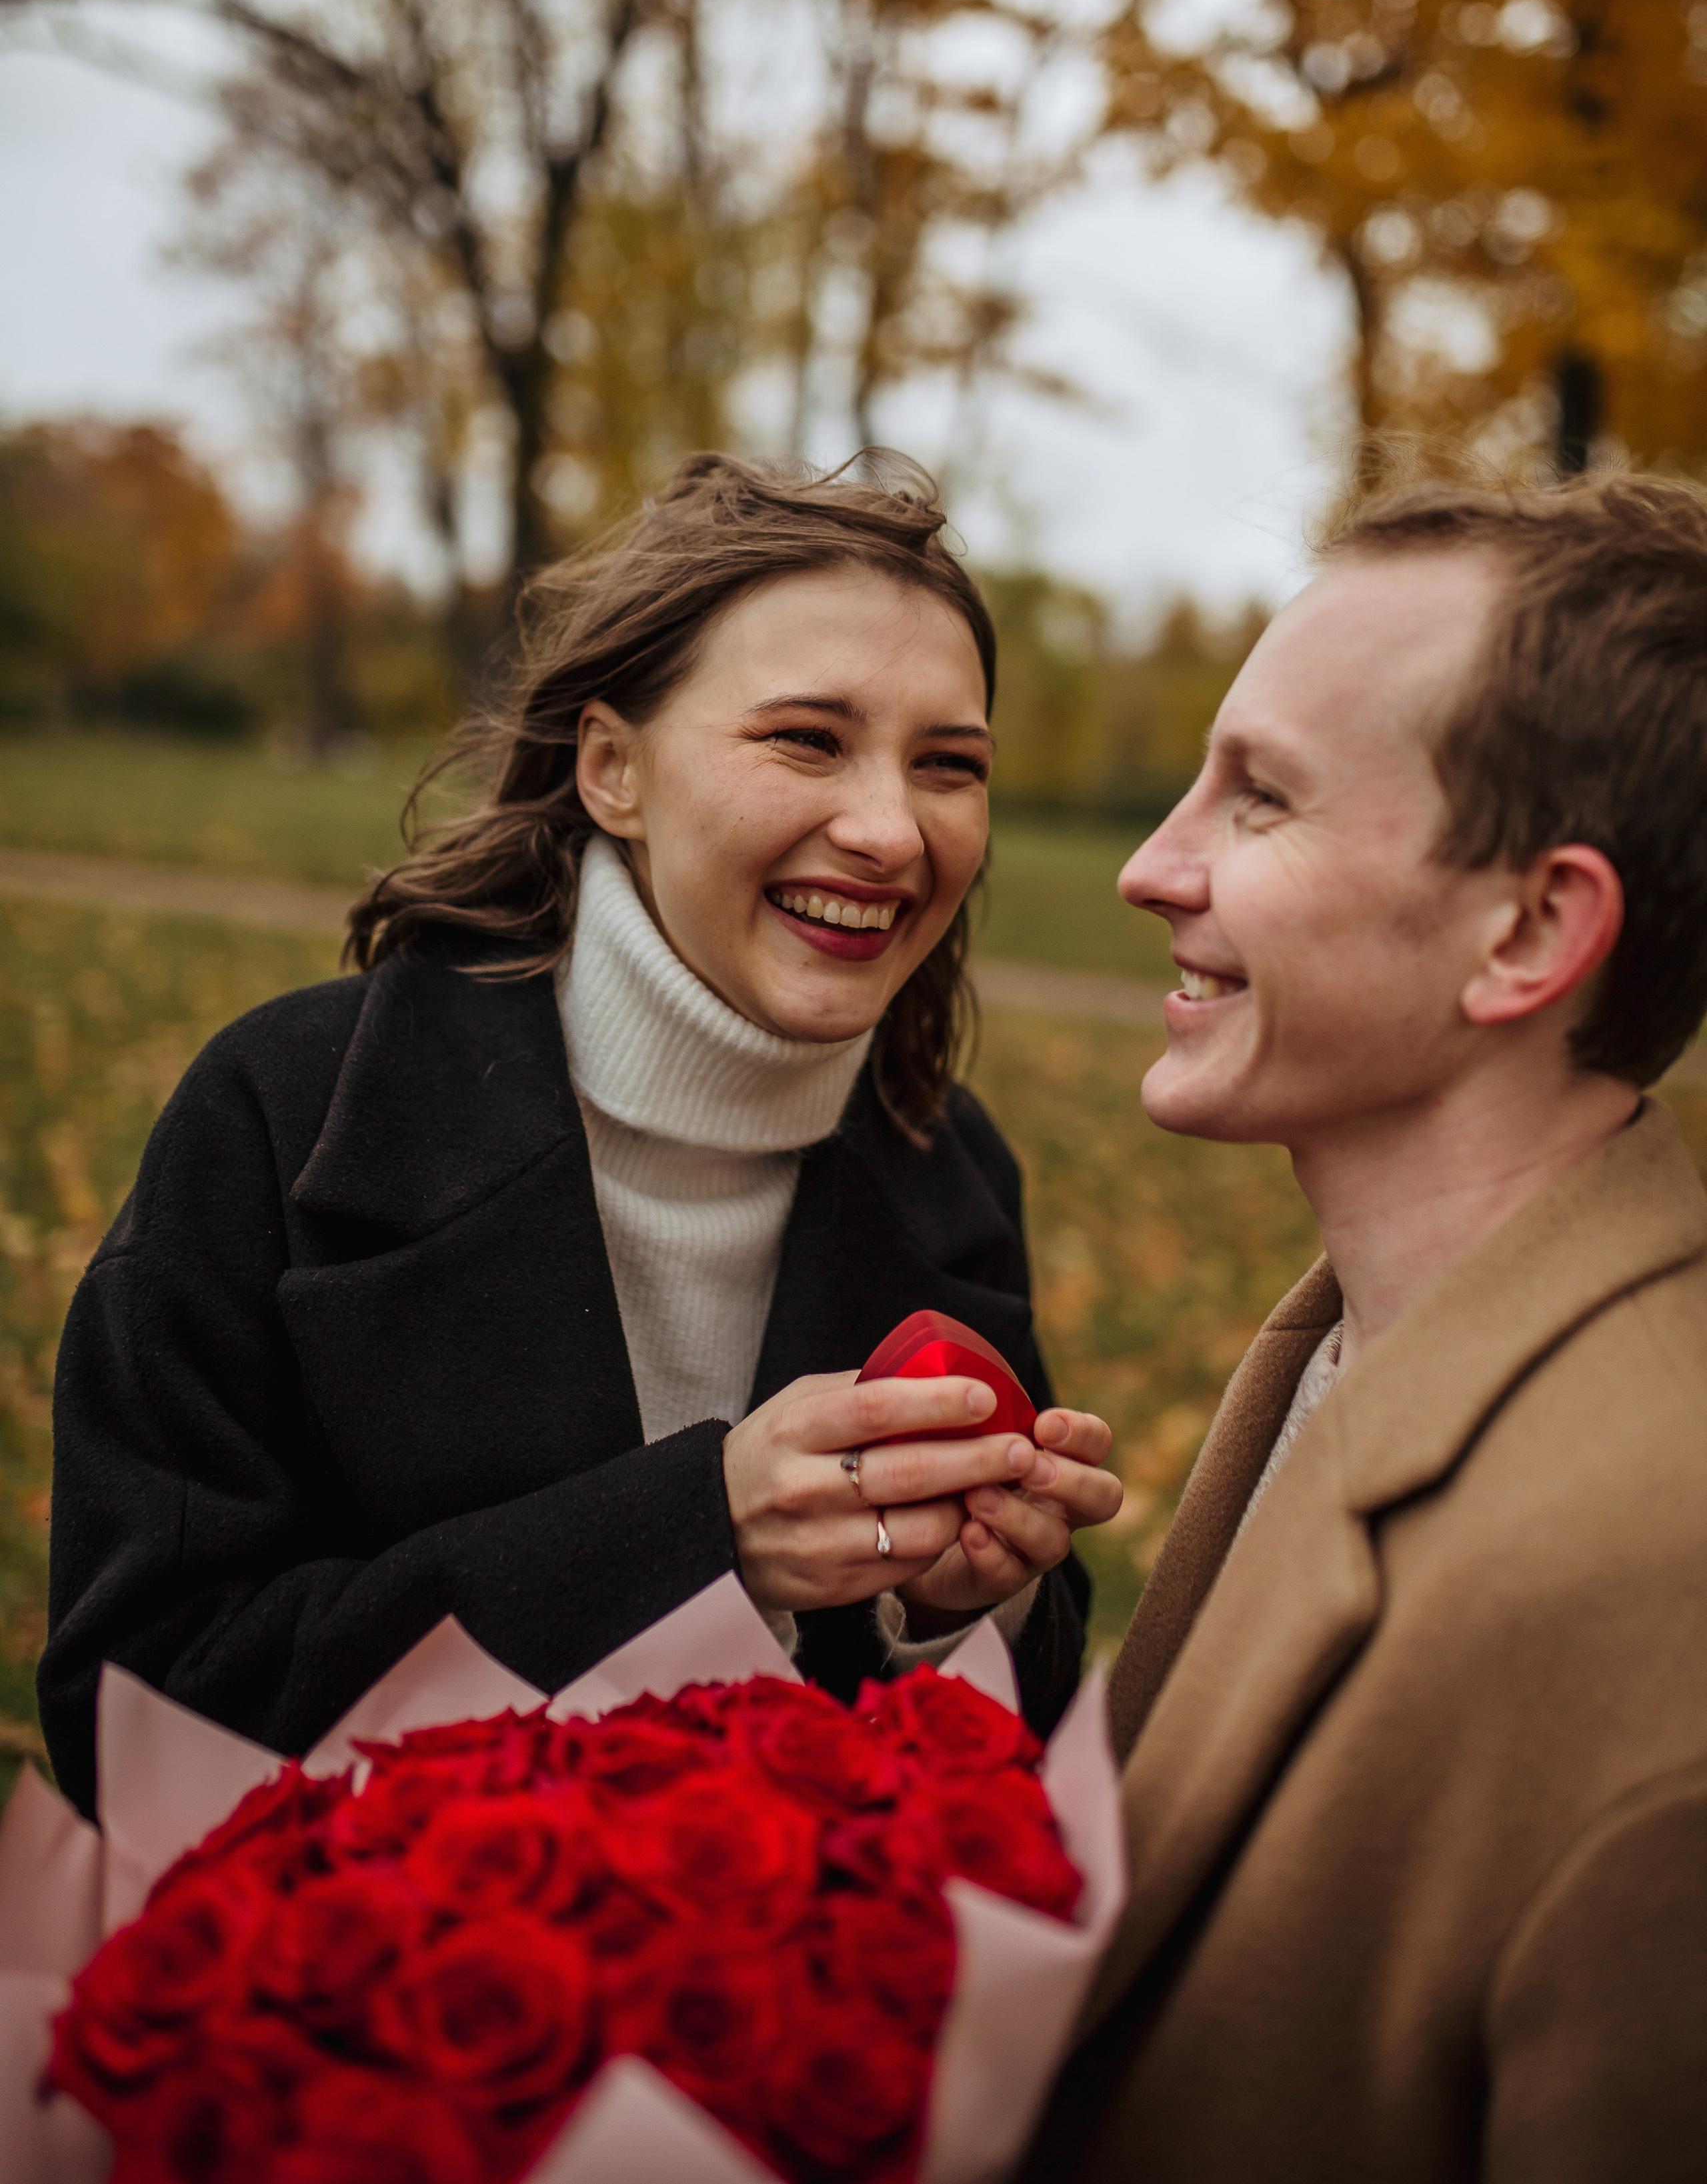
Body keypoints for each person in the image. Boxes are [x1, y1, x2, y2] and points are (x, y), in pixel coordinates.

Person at [39, 451, 1122, 1817]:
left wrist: (964, 1614)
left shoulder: (950, 1168)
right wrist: (695, 1538)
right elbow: (138, 1713)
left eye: (948, 765)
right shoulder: (285, 1112)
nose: (889, 830)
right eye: (806, 738)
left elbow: (1006, 1772)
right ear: (610, 768)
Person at [1043, 472, 1707, 2183]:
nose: (1146, 865)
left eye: (1257, 796)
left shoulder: (1655, 1585)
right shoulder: (1355, 1346)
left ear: (1527, 931)